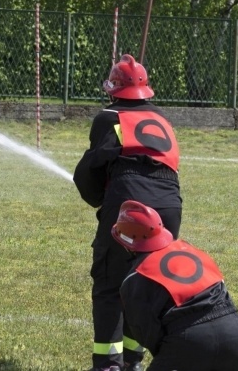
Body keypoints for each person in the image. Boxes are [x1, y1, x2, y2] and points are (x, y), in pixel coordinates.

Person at [73, 54, 183, 371]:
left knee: (110, 283)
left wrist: (100, 201)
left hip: (128, 198)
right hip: (169, 204)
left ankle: (108, 364)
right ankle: (134, 360)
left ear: (112, 89)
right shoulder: (162, 118)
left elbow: (92, 169)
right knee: (148, 282)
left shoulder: (108, 117)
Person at [111, 200, 238, 371]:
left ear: (127, 242)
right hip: (236, 333)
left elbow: (147, 332)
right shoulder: (190, 249)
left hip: (190, 340)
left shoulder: (136, 278)